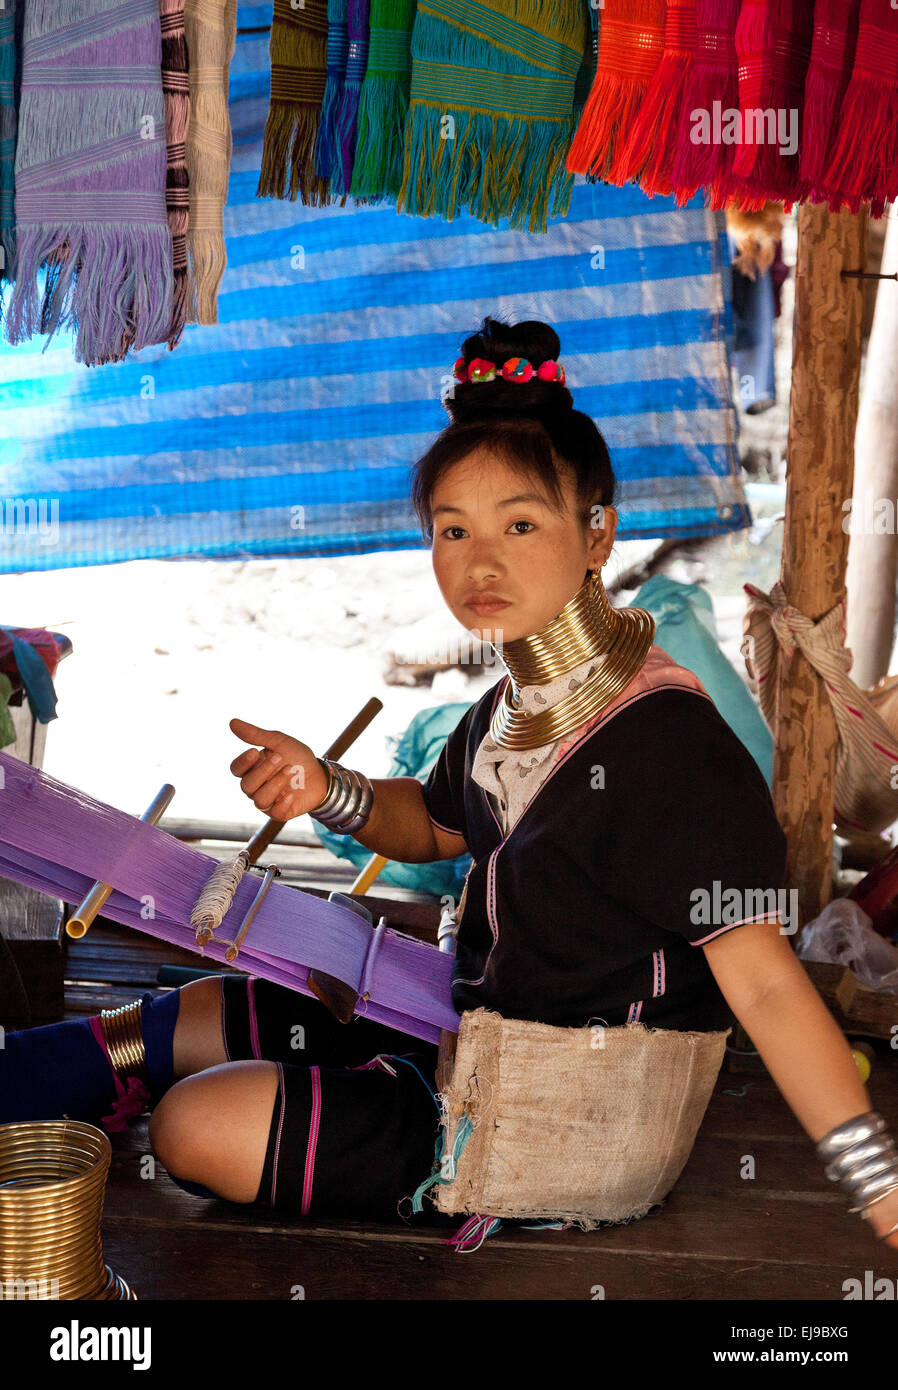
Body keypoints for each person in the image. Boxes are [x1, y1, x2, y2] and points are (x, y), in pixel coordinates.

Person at [3, 317, 898, 1247]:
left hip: (554, 1126)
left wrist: (879, 1185)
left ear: (600, 533)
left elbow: (765, 989)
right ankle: (22, 1076)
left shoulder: (666, 743)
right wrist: (329, 789)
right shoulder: (510, 705)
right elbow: (433, 827)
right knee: (184, 1017)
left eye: (521, 523)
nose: (481, 561)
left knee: (194, 1124)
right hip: (469, 1028)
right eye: (452, 529)